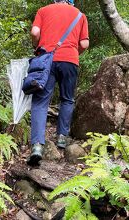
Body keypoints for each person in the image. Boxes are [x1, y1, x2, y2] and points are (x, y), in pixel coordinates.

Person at [27, 0, 89, 165]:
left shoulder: (44, 10)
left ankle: (37, 146)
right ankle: (62, 137)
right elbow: (84, 43)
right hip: (70, 60)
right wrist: (73, 52)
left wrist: (37, 46)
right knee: (67, 99)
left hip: (46, 58)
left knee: (40, 101)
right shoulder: (79, 15)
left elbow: (34, 32)